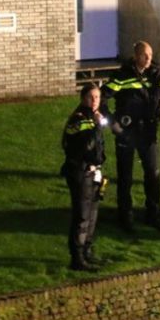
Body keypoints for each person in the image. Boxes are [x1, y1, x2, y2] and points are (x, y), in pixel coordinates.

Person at [101, 40, 160, 232]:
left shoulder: (156, 74)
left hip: (148, 132)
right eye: (144, 56)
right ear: (136, 56)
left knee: (153, 174)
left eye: (150, 56)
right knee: (125, 177)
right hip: (127, 131)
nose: (148, 59)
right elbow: (102, 98)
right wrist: (113, 123)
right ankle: (125, 217)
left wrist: (156, 117)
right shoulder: (122, 76)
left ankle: (153, 215)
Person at [61, 84, 108, 271]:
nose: (95, 101)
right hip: (80, 172)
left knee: (92, 214)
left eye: (97, 97)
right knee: (81, 215)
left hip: (93, 172)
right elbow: (86, 145)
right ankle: (77, 257)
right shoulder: (78, 120)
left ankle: (87, 251)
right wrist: (97, 126)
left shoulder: (93, 117)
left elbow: (99, 147)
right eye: (91, 97)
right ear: (83, 98)